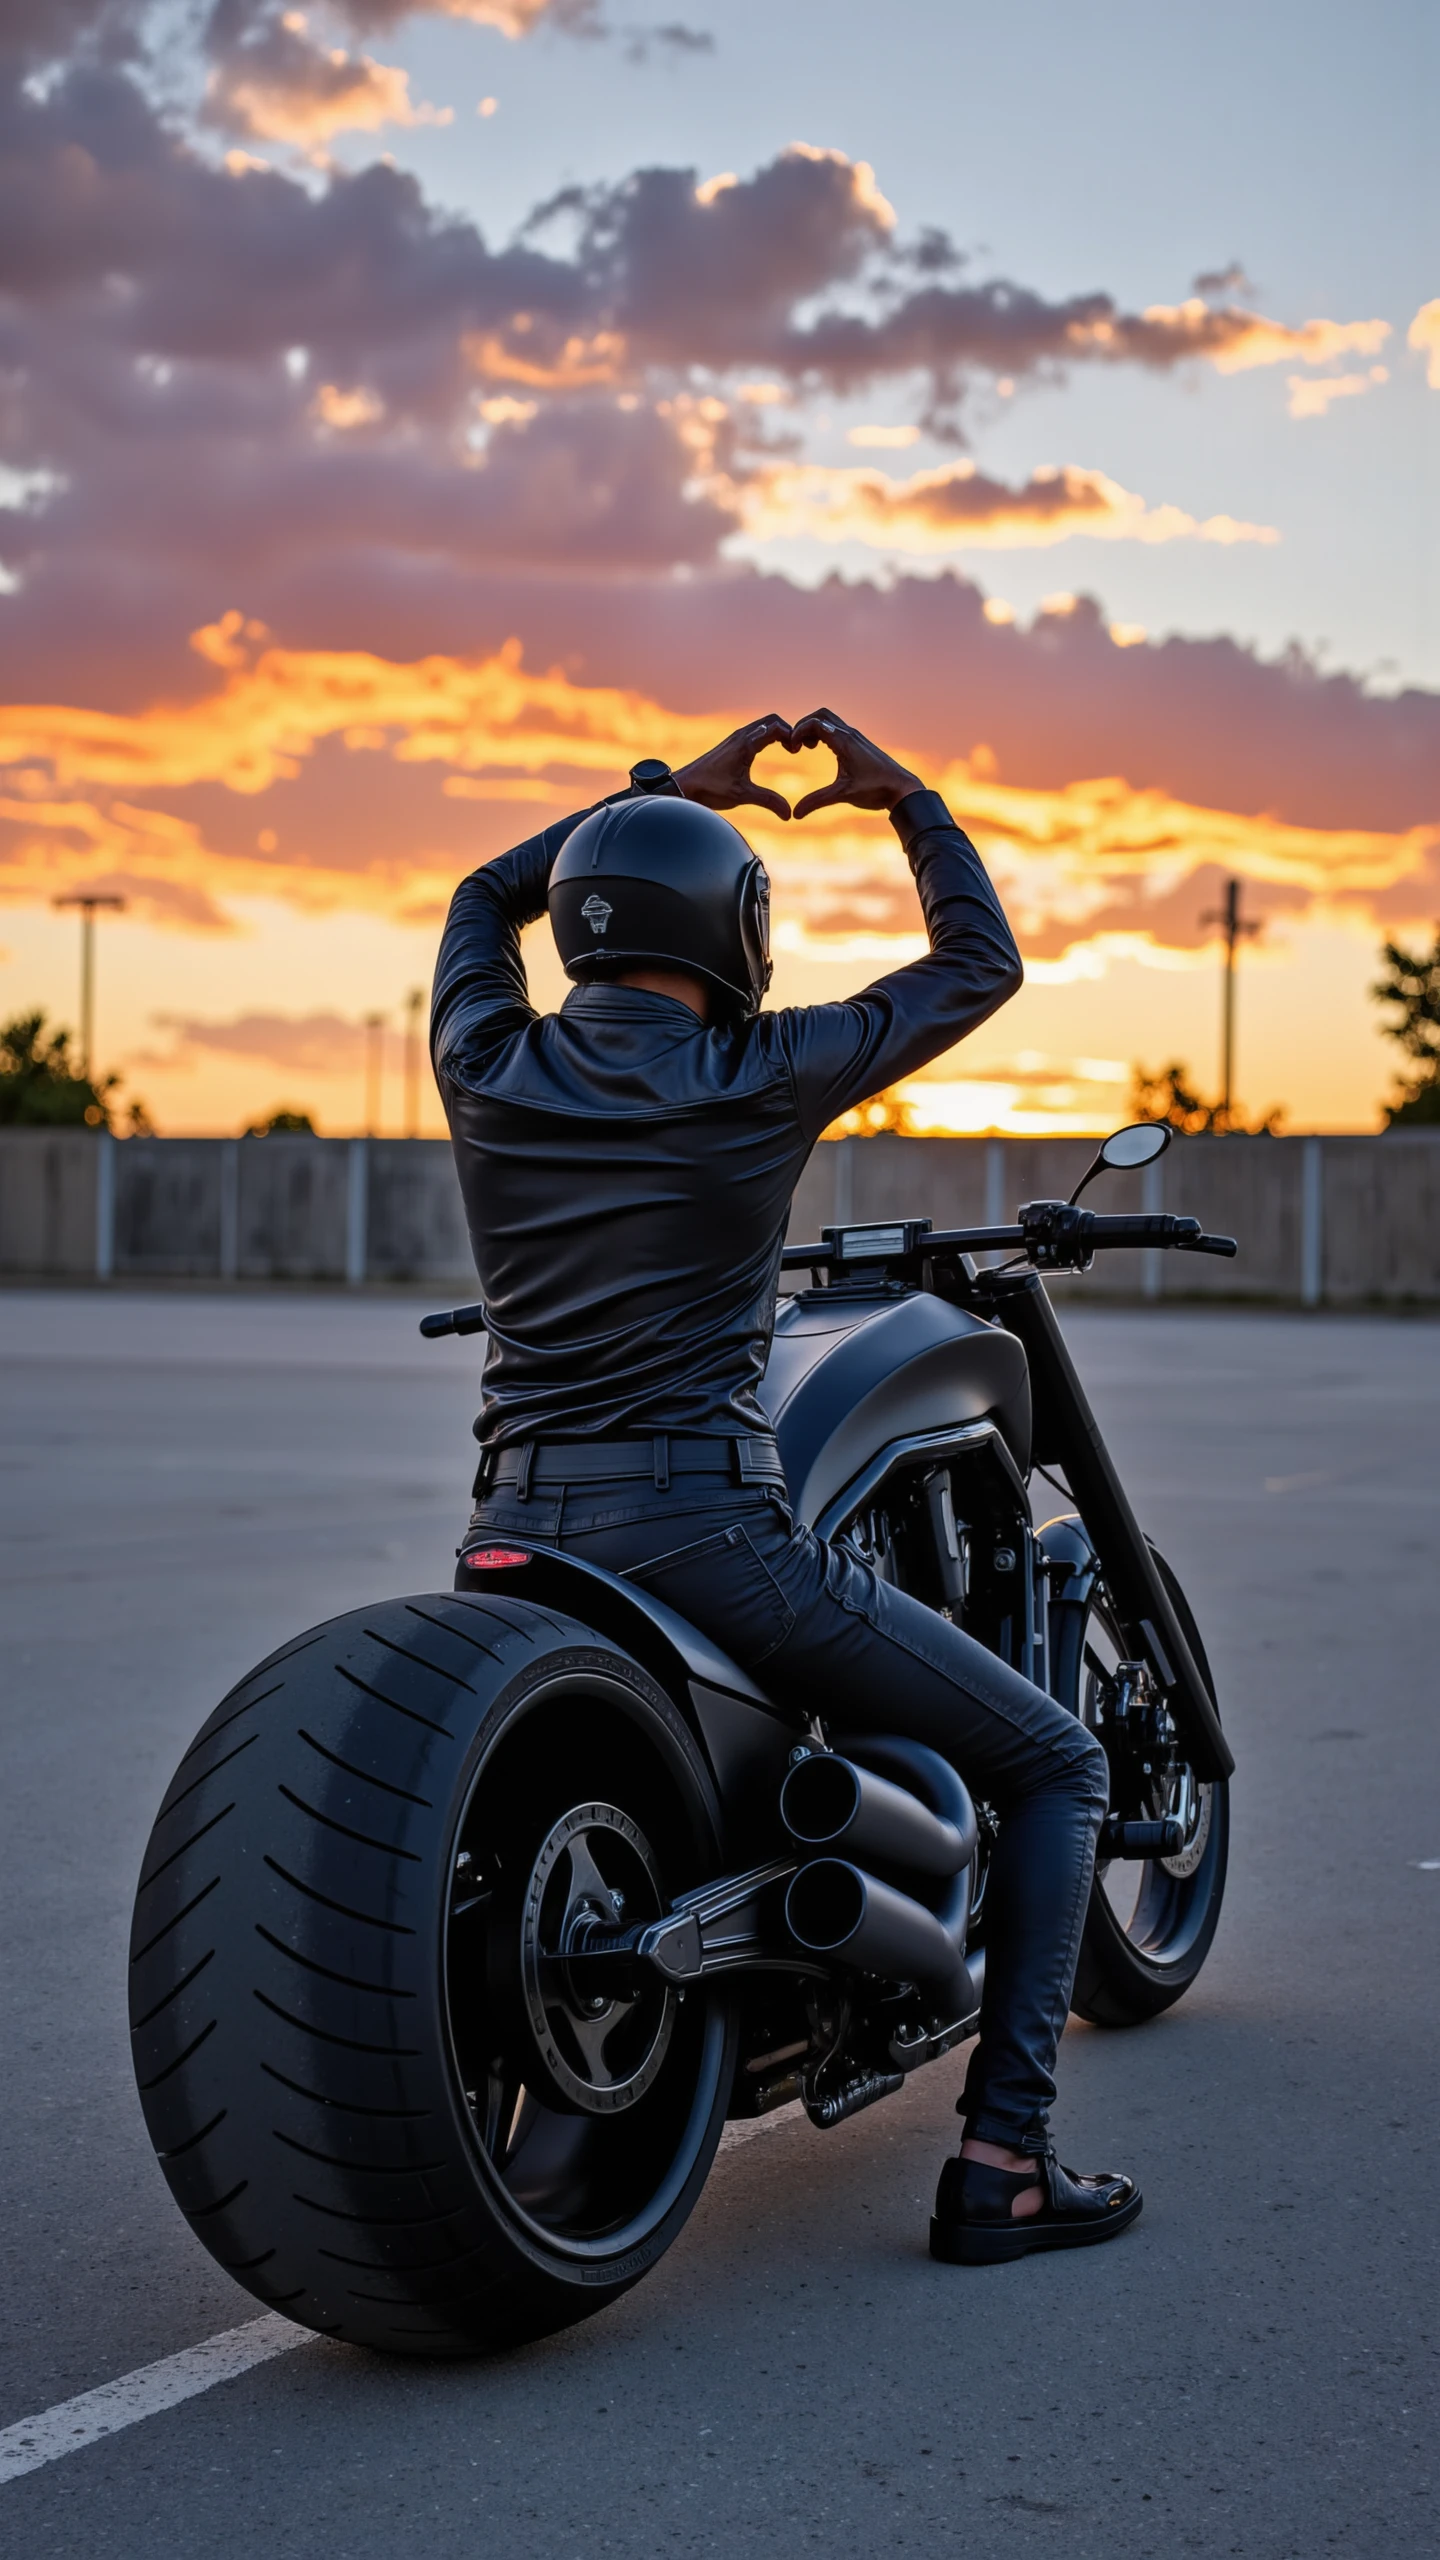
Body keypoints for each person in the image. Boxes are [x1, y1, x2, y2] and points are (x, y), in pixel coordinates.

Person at [431, 709, 1140, 2264]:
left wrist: (651, 805)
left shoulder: (487, 1058)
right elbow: (976, 969)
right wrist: (908, 801)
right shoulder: (758, 1068)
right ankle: (1005, 2161)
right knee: (1059, 1766)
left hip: (510, 1526)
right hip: (703, 1529)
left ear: (591, 933)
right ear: (738, 932)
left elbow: (485, 902)